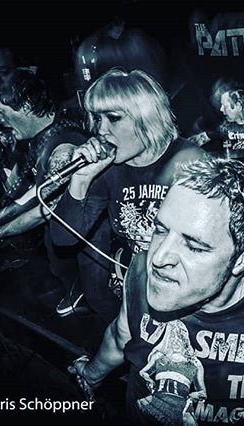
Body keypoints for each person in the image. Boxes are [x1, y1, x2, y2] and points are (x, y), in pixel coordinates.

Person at [68, 157, 244, 425]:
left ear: (243, 257)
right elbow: (120, 338)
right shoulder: (141, 270)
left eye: (194, 246)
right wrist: (91, 375)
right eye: (161, 230)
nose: (158, 258)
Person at [50, 68, 205, 322]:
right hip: (136, 290)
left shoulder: (190, 162)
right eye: (97, 119)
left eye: (113, 118)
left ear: (146, 117)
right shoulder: (107, 170)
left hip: (186, 297)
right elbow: (63, 239)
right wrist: (81, 180)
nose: (101, 130)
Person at [0, 68, 88, 285]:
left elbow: (45, 210)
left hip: (81, 263)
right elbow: (28, 190)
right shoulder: (38, 136)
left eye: (1, 112)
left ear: (26, 105)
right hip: (60, 259)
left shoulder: (64, 149)